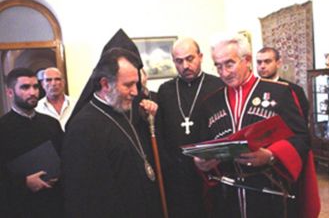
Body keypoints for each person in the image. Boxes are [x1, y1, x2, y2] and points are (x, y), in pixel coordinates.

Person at [193, 33, 320, 218]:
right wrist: (202, 162)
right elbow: (204, 144)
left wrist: (271, 155)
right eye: (218, 66)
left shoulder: (280, 93)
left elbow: (302, 138)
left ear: (247, 60)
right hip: (227, 197)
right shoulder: (210, 103)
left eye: (229, 64)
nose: (224, 72)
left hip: (270, 194)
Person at [62, 29, 162, 218]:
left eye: (136, 84)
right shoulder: (83, 128)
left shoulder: (124, 111)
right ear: (105, 84)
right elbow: (87, 199)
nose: (135, 92)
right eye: (128, 85)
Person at [156, 37, 224, 218]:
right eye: (179, 61)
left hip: (211, 171)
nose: (185, 65)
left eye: (190, 59)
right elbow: (160, 132)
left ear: (200, 57)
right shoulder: (165, 90)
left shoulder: (218, 86)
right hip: (177, 175)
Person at [0, 68, 64, 218]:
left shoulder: (51, 123)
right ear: (10, 93)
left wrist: (61, 174)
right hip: (20, 208)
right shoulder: (2, 128)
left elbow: (66, 156)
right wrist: (24, 183)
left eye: (35, 86)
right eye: (25, 87)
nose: (33, 92)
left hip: (55, 203)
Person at [256, 47, 309, 124]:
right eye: (259, 62)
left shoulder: (294, 90)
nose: (262, 66)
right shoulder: (252, 89)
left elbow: (301, 121)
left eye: (267, 61)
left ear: (278, 63)